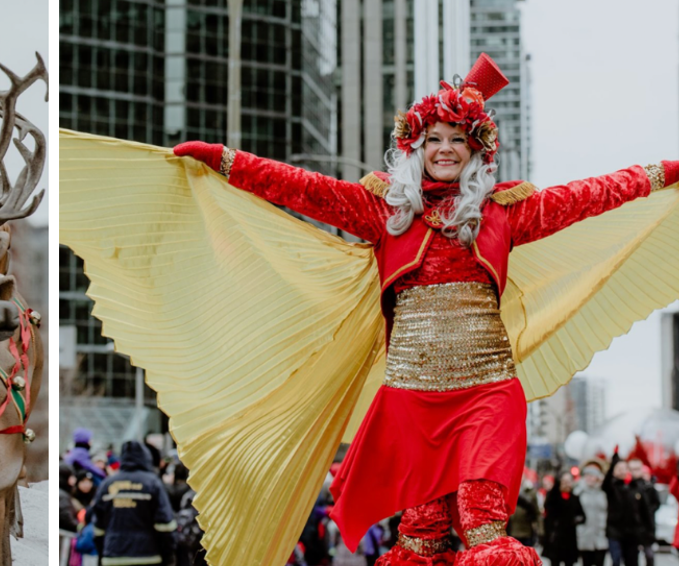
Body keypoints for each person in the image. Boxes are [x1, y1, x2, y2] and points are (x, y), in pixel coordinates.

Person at [60, 51, 679, 566]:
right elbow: (304, 188)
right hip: (411, 401)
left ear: (475, 151)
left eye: (457, 140)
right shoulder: (384, 211)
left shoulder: (505, 212)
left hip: (486, 394)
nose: (445, 149)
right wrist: (227, 161)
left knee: (485, 529)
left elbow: (592, 194)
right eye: (434, 140)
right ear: (415, 147)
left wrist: (663, 173)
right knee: (421, 539)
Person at [89, 440, 177, 566]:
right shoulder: (152, 483)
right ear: (146, 458)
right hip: (148, 557)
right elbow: (165, 525)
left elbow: (98, 528)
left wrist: (104, 553)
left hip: (113, 557)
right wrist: (168, 556)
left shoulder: (107, 485)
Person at [606, 452, 644, 566]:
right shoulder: (612, 486)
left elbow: (643, 510)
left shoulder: (635, 487)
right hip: (615, 531)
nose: (622, 471)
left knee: (632, 561)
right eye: (619, 469)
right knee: (616, 559)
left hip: (632, 532)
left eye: (624, 468)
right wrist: (613, 463)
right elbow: (606, 483)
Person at [544, 474, 586, 566]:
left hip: (569, 537)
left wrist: (576, 520)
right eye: (564, 482)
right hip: (556, 536)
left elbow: (582, 516)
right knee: (555, 561)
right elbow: (548, 509)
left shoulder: (574, 498)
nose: (566, 484)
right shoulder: (554, 497)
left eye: (568, 482)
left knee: (569, 561)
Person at [576, 462, 609, 566]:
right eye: (587, 475)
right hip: (584, 534)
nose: (589, 478)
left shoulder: (603, 493)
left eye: (592, 475)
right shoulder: (578, 492)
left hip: (600, 534)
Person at [627, 460, 659, 566]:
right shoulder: (627, 486)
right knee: (632, 556)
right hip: (631, 527)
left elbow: (655, 504)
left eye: (637, 469)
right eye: (632, 469)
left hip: (646, 526)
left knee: (649, 555)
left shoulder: (648, 487)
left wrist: (649, 512)